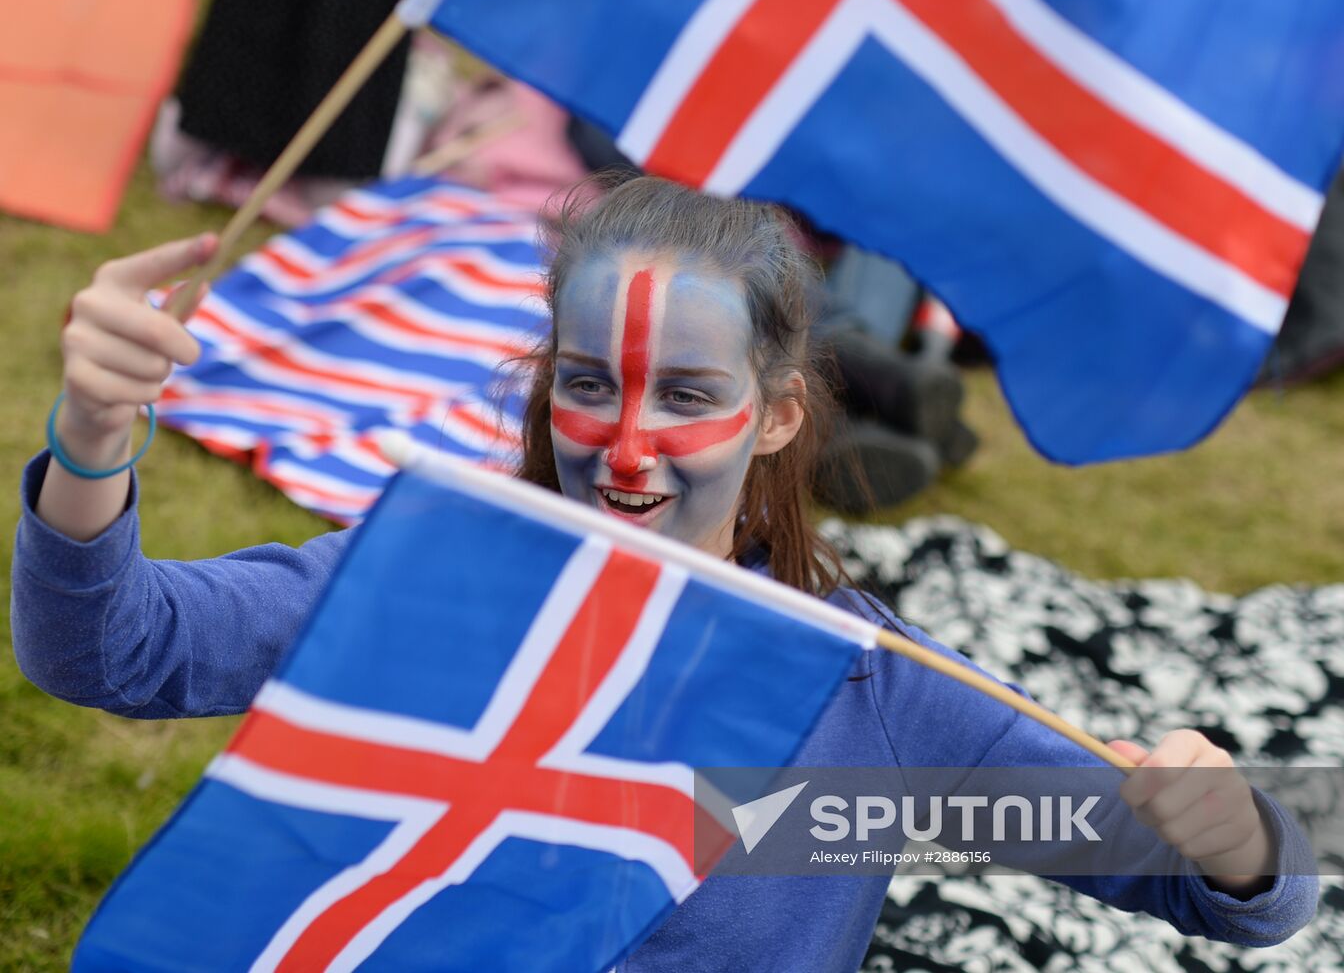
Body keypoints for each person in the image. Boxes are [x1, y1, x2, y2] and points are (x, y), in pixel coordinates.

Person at [12, 177, 1316, 970]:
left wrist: (1239, 839)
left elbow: (1221, 893)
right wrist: (93, 438)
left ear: (779, 415)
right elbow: (111, 650)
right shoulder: (421, 592)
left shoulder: (858, 699)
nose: (626, 447)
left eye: (687, 395)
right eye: (591, 385)